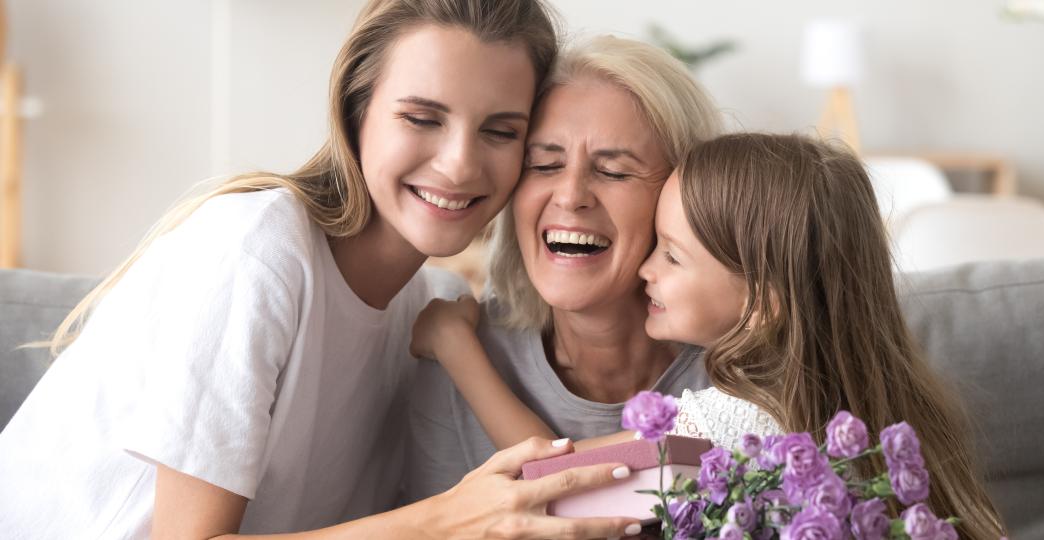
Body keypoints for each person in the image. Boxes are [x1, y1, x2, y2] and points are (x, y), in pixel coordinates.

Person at [0, 1, 646, 538]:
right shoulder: (257, 248)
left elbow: (581, 480)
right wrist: (448, 520)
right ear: (356, 110)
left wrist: (706, 445)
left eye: (500, 132)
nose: (459, 164)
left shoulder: (432, 310)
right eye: (421, 118)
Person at [415, 133, 1007, 539]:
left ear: (763, 305)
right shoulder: (880, 405)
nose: (646, 270)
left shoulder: (738, 426)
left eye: (670, 255)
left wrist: (456, 346)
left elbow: (553, 482)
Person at [403, 34, 722, 501]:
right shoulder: (457, 362)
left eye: (614, 172)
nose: (571, 196)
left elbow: (572, 485)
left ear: (684, 195)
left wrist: (458, 350)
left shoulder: (742, 371)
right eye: (544, 164)